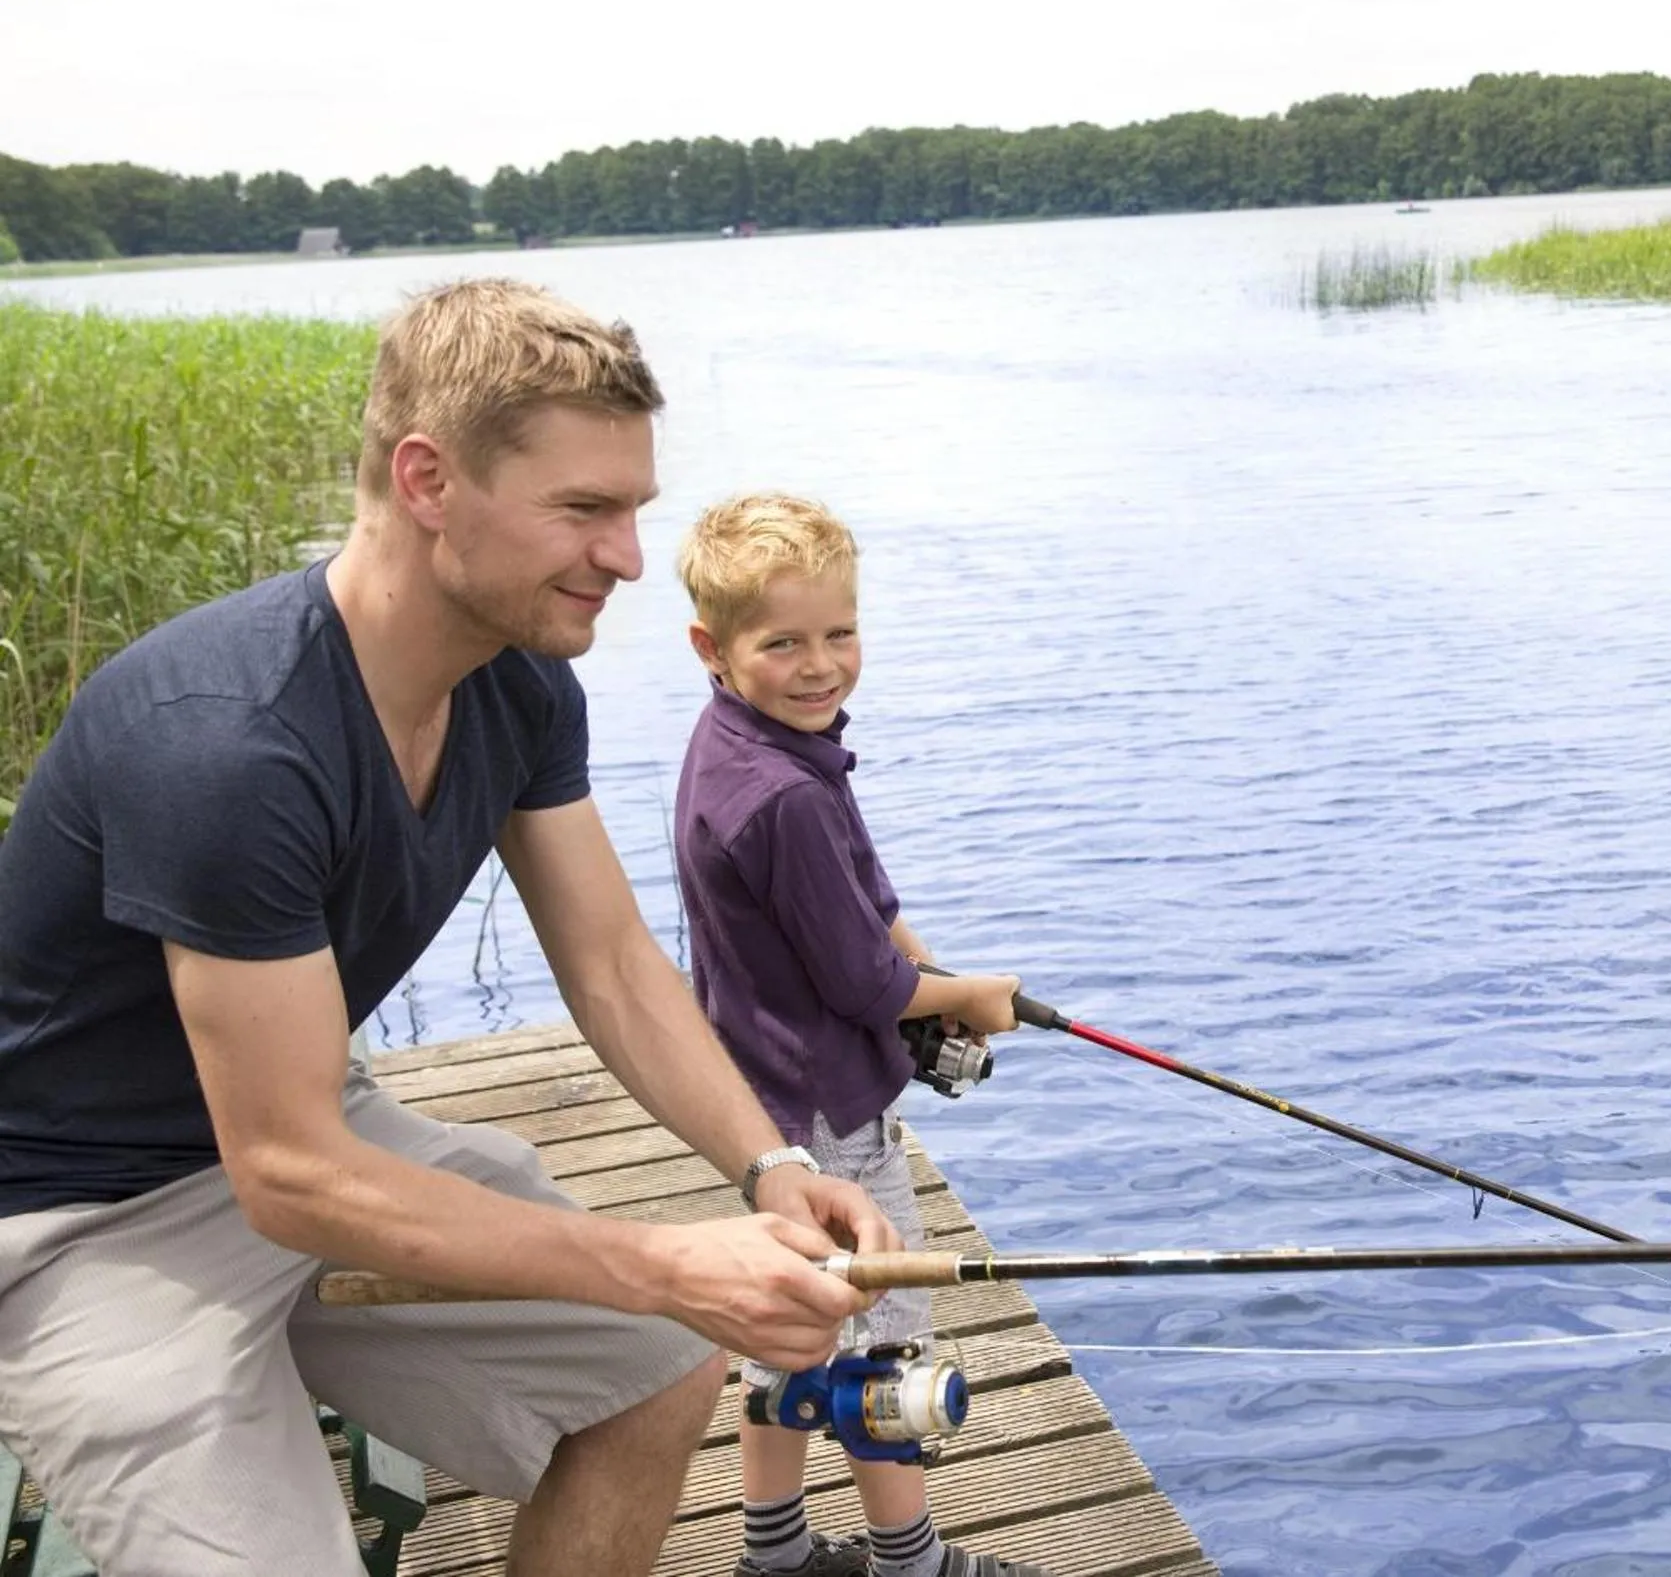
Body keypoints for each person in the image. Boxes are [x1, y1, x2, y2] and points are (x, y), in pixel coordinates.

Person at [0, 279, 901, 1577]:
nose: (627, 557)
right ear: (428, 479)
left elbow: (611, 963)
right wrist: (662, 1260)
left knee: (656, 1370)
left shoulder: (519, 681)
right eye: (583, 509)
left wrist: (765, 1164)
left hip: (309, 1131)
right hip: (79, 1215)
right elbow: (288, 1171)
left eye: (633, 509)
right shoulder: (226, 746)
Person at [672, 494, 1049, 1577]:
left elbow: (868, 912)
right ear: (712, 646)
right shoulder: (783, 794)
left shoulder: (749, 743)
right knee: (888, 1338)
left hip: (769, 1097)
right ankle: (909, 1561)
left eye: (839, 632)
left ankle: (775, 1553)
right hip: (825, 1110)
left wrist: (931, 976)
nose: (820, 664)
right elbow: (862, 980)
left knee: (789, 1326)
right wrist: (972, 993)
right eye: (782, 642)